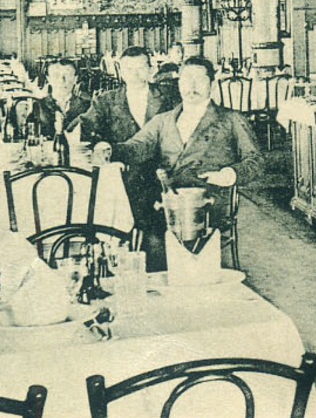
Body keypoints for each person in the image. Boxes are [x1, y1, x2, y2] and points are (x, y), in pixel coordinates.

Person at [107, 57, 262, 269]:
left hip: (209, 199)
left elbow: (256, 161)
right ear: (179, 84)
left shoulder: (231, 119)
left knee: (159, 233)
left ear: (212, 83)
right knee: (129, 219)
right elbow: (137, 146)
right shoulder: (164, 120)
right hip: (167, 197)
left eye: (199, 79)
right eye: (186, 80)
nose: (192, 86)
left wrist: (229, 174)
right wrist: (109, 149)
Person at [81, 46, 176, 260]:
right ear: (120, 71)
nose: (135, 73)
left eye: (141, 67)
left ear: (152, 70)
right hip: (122, 174)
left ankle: (153, 257)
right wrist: (101, 144)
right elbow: (87, 129)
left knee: (155, 228)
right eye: (129, 68)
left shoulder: (169, 97)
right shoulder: (105, 100)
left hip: (160, 173)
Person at [32, 58, 91, 136]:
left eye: (67, 75)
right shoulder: (38, 106)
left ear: (75, 79)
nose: (61, 80)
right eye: (56, 76)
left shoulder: (87, 107)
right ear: (48, 79)